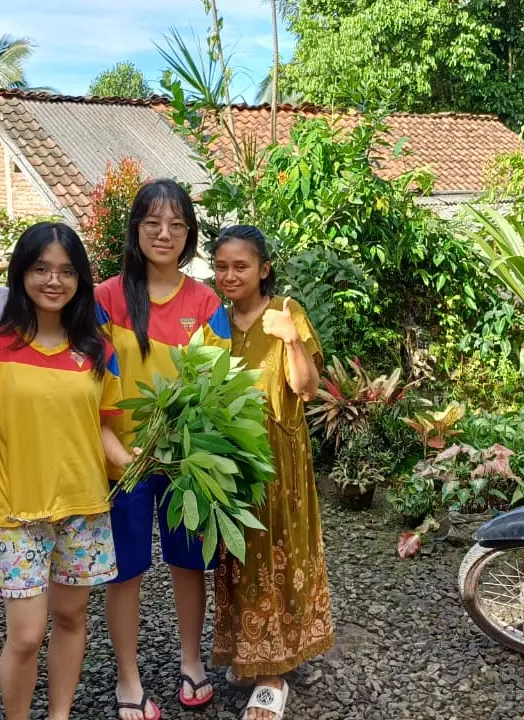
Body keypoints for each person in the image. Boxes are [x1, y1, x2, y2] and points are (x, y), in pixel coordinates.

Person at [0, 222, 139, 720]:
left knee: (71, 617)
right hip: (16, 510)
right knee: (26, 635)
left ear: (81, 280)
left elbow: (101, 427)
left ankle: (60, 715)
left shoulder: (98, 352)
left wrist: (134, 462)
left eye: (67, 271)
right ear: (21, 274)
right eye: (41, 269)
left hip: (83, 507)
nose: (54, 281)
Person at [96, 178, 232, 720]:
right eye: (152, 222)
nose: (164, 233)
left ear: (189, 234)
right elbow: (88, 382)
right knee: (125, 569)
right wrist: (112, 447)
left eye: (177, 224)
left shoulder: (205, 302)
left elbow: (218, 388)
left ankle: (191, 660)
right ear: (135, 229)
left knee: (188, 562)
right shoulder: (106, 298)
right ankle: (127, 677)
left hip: (185, 460)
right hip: (121, 459)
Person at [210, 225, 335, 720]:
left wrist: (291, 341)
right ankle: (250, 652)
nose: (229, 275)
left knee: (277, 554)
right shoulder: (215, 321)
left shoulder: (286, 311)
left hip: (279, 462)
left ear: (263, 269)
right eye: (221, 266)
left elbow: (306, 389)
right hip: (230, 462)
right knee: (237, 557)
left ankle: (273, 674)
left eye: (241, 266)